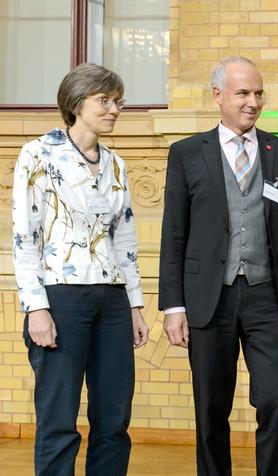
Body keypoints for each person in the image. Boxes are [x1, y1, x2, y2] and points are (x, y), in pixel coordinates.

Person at [158, 56, 278, 476]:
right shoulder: (186, 153)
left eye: (258, 93)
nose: (253, 102)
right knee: (210, 405)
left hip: (268, 296)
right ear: (218, 95)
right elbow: (173, 233)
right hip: (209, 296)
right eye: (243, 93)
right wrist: (173, 306)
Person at [11, 63, 149, 476]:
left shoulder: (116, 164)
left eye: (117, 102)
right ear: (76, 104)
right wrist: (36, 308)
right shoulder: (37, 153)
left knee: (113, 417)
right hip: (60, 298)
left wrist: (135, 306)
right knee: (58, 417)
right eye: (103, 101)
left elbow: (124, 239)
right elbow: (24, 238)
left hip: (111, 300)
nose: (113, 110)